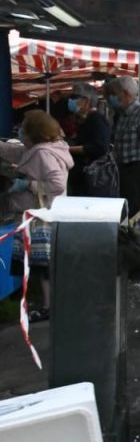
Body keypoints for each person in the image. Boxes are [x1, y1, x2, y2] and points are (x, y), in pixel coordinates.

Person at [1, 111, 74, 322]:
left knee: (44, 267)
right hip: (45, 214)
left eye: (24, 127)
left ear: (33, 132)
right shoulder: (42, 149)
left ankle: (49, 307)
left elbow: (57, 184)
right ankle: (50, 304)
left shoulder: (42, 153)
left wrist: (29, 185)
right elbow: (12, 151)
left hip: (42, 216)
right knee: (45, 266)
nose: (20, 131)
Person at [103, 76, 140, 217]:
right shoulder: (120, 115)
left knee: (136, 211)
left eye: (114, 94)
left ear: (125, 93)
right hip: (122, 170)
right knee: (124, 209)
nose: (111, 99)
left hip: (136, 170)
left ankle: (134, 238)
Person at [64, 84, 112, 196]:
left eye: (74, 97)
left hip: (91, 180)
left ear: (86, 101)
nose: (71, 100)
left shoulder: (96, 119)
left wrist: (69, 149)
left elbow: (100, 147)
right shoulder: (83, 120)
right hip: (81, 178)